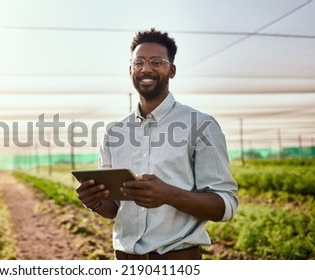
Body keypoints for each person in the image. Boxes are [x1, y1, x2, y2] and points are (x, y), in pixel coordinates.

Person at [76, 28, 238, 260]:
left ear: (171, 70)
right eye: (139, 62)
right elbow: (113, 210)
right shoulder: (114, 133)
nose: (146, 69)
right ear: (130, 69)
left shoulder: (200, 125)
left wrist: (169, 195)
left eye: (156, 62)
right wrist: (95, 201)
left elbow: (225, 205)